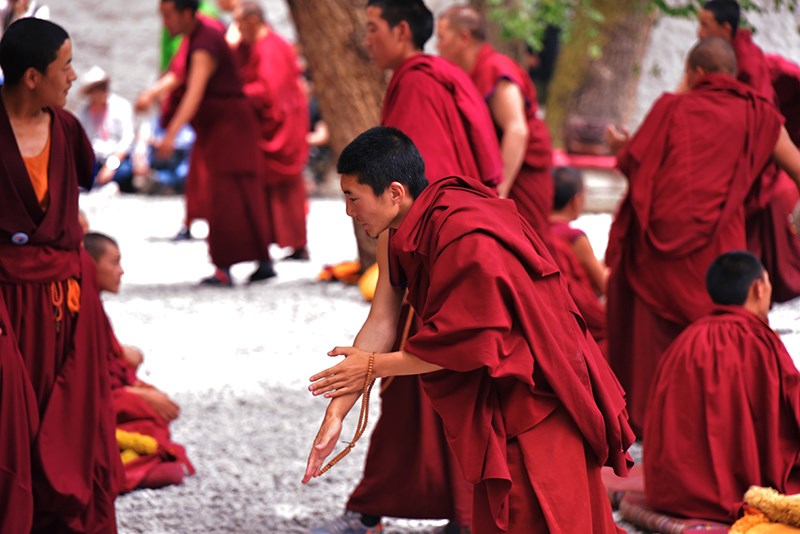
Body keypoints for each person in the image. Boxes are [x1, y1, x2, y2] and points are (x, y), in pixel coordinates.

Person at [303, 126, 633, 533]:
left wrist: (374, 366)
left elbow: (466, 342)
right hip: (495, 402)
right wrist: (336, 414)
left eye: (353, 198)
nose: (349, 211)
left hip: (534, 397)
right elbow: (382, 321)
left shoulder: (466, 232)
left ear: (393, 192)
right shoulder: (394, 235)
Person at [309, 2, 503, 533]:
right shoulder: (443, 77)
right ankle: (444, 509)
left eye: (372, 29)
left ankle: (433, 508)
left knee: (439, 377)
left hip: (448, 260)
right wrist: (340, 406)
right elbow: (380, 317)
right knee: (420, 380)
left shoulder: (418, 84)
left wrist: (369, 368)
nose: (364, 39)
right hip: (435, 252)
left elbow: (422, 178)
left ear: (400, 30)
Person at [604, 36, 800, 436]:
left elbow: (633, 164)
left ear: (694, 73)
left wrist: (621, 147)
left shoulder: (670, 108)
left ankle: (653, 421)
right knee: (721, 335)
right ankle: (721, 424)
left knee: (655, 342)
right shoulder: (758, 114)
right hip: (720, 256)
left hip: (657, 257)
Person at [0, 18, 121, 532]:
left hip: (66, 297)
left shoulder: (66, 128)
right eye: (65, 65)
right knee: (13, 416)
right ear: (32, 76)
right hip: (6, 296)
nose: (73, 76)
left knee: (69, 412)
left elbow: (77, 190)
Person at [644, 250, 800, 523]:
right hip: (742, 488)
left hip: (671, 491)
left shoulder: (685, 340)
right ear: (758, 288)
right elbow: (792, 407)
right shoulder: (759, 341)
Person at [148, 0, 273, 286]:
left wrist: (170, 136)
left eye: (168, 15)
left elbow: (194, 93)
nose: (165, 23)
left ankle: (224, 267)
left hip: (229, 127)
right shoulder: (199, 35)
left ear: (188, 13)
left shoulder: (205, 42)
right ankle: (262, 262)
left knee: (226, 197)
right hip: (226, 126)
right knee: (239, 194)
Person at [695, 0, 800, 303]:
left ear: (725, 28)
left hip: (752, 169)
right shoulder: (716, 57)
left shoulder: (750, 65)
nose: (699, 32)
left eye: (705, 24)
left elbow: (761, 120)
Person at [84, 232, 195, 493]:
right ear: (89, 264)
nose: (120, 271)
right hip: (93, 401)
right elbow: (84, 381)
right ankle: (115, 468)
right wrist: (132, 393)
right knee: (147, 414)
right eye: (114, 263)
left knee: (153, 407)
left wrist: (133, 379)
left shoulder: (92, 304)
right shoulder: (82, 308)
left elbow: (109, 364)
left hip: (107, 393)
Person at [436, 4, 554, 238]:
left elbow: (517, 129)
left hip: (521, 174)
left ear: (463, 38)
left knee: (525, 244)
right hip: (500, 175)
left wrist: (499, 193)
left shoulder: (495, 68)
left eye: (442, 37)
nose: (438, 47)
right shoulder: (469, 74)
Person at [234, 1, 310, 262]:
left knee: (283, 189)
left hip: (280, 129)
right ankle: (290, 242)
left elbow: (268, 92)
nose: (237, 29)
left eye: (239, 23)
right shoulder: (266, 45)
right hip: (279, 125)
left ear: (253, 22)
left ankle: (294, 243)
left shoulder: (269, 50)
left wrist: (237, 94)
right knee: (281, 191)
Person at [549, 166, 608, 352]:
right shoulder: (573, 237)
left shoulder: (536, 231)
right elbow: (605, 284)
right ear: (576, 200)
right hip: (583, 329)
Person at [77, 66, 137, 192]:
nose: (102, 91)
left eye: (104, 87)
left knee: (125, 171)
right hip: (94, 160)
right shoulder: (84, 113)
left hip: (116, 160)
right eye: (98, 88)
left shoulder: (121, 106)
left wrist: (111, 165)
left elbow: (127, 140)